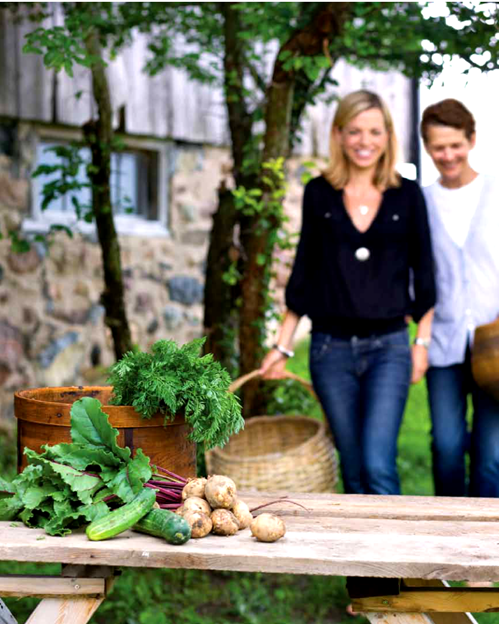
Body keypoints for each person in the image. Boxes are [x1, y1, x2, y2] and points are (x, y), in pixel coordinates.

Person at [260, 90, 436, 496]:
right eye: (354, 131)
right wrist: (283, 348)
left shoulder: (407, 195)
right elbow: (304, 275)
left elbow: (425, 276)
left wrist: (421, 344)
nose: (364, 141)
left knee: (377, 466)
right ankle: (358, 559)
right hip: (330, 351)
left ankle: (392, 558)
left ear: (388, 135)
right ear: (338, 134)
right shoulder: (319, 192)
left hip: (388, 348)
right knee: (353, 469)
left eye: (375, 131)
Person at [420, 98, 499, 497]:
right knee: (447, 446)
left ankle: (488, 544)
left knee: (492, 455)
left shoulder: (496, 192)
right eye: (438, 147)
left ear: (471, 140)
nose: (447, 155)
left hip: (496, 342)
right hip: (443, 343)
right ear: (428, 148)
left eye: (455, 145)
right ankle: (448, 533)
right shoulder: (423, 201)